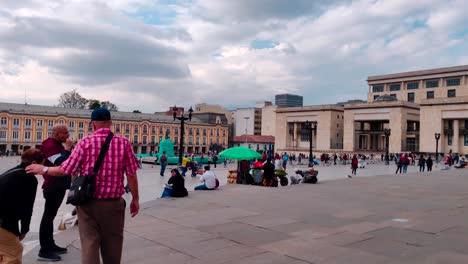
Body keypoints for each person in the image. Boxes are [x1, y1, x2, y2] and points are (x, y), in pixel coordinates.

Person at [26, 107, 140, 264]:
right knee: (113, 243)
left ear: (93, 124)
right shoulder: (124, 143)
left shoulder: (85, 143)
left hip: (88, 203)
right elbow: (132, 174)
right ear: (111, 123)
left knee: (89, 243)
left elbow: (65, 169)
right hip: (113, 204)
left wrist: (42, 169)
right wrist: (135, 199)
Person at [0, 149, 44, 263]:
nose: (42, 170)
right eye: (42, 165)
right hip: (3, 222)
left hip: (4, 219)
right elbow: (27, 208)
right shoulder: (29, 178)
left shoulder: (12, 172)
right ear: (34, 163)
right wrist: (24, 230)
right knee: (14, 252)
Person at [38, 124, 73, 261]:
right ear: (57, 133)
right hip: (52, 186)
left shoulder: (57, 143)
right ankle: (44, 250)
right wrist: (68, 149)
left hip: (59, 185)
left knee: (50, 217)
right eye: (65, 133)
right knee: (47, 218)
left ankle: (50, 245)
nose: (67, 135)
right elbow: (60, 162)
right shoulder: (49, 145)